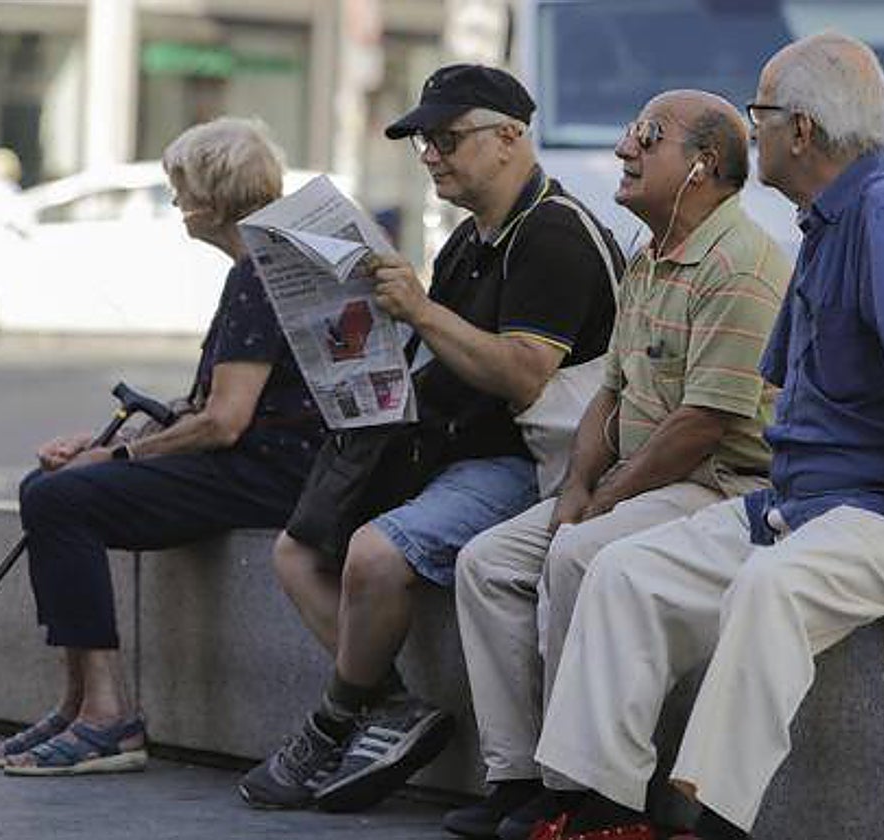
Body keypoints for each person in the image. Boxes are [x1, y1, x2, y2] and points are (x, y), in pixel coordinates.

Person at [531, 32, 884, 840]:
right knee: (623, 571)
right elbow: (785, 383)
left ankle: (709, 819)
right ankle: (604, 812)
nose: (749, 134)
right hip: (811, 502)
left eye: (758, 115)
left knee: (771, 587)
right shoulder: (827, 222)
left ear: (802, 131)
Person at [238, 64, 622, 811]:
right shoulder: (469, 239)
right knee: (296, 550)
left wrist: (418, 310)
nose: (432, 155)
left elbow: (523, 376)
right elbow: (437, 353)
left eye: (448, 137)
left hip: (531, 462)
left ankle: (332, 721)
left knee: (376, 555)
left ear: (511, 138)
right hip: (443, 445)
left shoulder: (552, 235)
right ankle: (391, 708)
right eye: (423, 142)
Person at [446, 90, 791, 840]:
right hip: (636, 481)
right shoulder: (649, 255)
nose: (623, 150)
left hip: (716, 487)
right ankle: (518, 777)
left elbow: (704, 424)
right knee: (485, 562)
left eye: (646, 137)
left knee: (578, 552)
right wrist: (576, 485)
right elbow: (609, 393)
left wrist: (599, 502)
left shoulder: (741, 265)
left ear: (701, 167)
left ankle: (593, 795)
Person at [0, 117, 326, 776]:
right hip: (268, 461)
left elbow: (225, 422)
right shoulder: (269, 261)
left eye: (179, 189)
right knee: (46, 489)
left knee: (62, 502)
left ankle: (109, 717)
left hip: (271, 472)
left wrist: (114, 457)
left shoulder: (259, 273)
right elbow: (211, 406)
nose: (174, 204)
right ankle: (79, 700)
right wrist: (109, 439)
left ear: (209, 201)